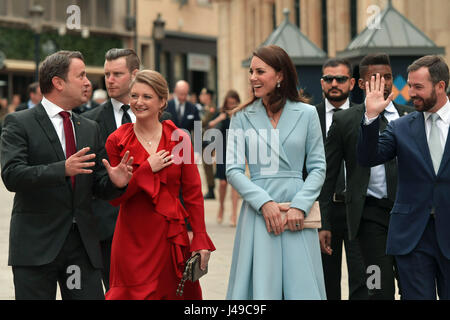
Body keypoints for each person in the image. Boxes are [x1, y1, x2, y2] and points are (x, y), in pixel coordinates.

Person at [0, 50, 133, 300]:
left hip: (82, 246)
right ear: (58, 83)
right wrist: (62, 168)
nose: (88, 82)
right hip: (36, 246)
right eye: (80, 75)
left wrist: (116, 183)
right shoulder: (19, 123)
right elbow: (12, 175)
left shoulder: (89, 128)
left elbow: (97, 184)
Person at [225, 45, 326, 300]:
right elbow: (233, 170)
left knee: (302, 290)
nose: (252, 77)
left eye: (260, 71)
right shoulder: (241, 117)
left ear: (280, 75)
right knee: (261, 291)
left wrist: (300, 205)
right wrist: (264, 203)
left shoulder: (307, 113)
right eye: (251, 71)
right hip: (259, 214)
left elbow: (317, 167)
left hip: (297, 214)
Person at [104, 70, 215, 300]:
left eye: (147, 96)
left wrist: (200, 237)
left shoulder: (179, 138)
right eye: (134, 96)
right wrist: (144, 171)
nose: (138, 102)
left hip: (170, 238)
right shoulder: (117, 140)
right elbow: (116, 199)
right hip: (131, 240)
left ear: (162, 101)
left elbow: (193, 194)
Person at [319, 53, 413, 300]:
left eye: (388, 77)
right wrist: (325, 223)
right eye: (374, 78)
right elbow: (328, 176)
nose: (382, 82)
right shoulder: (345, 120)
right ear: (360, 84)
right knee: (375, 288)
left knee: (412, 286)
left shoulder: (410, 117)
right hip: (368, 218)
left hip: (407, 216)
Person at [357, 55, 450, 300]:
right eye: (410, 85)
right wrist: (370, 118)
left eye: (418, 87)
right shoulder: (401, 127)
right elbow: (368, 158)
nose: (410, 93)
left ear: (440, 86)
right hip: (412, 238)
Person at [83, 48, 171, 291]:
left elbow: (179, 181)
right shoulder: (89, 122)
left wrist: (189, 228)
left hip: (157, 226)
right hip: (109, 230)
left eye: (117, 74)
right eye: (107, 74)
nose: (109, 80)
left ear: (135, 74)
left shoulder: (165, 121)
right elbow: (92, 180)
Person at [316, 58, 367, 300]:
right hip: (323, 210)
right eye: (328, 79)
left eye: (341, 78)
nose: (334, 83)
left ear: (353, 83)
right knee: (326, 282)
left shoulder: (366, 115)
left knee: (363, 279)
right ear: (322, 83)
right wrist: (320, 219)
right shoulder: (308, 116)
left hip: (358, 209)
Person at [208, 89, 241, 227]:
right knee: (222, 183)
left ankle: (234, 214)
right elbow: (210, 127)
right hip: (222, 150)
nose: (232, 105)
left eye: (234, 103)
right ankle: (221, 206)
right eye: (230, 103)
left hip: (236, 150)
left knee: (235, 184)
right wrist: (219, 118)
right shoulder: (221, 113)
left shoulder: (240, 114)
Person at [200, 88, 219, 199]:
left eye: (203, 94)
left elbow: (203, 122)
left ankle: (211, 189)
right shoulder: (204, 108)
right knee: (206, 165)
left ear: (208, 96)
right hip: (204, 140)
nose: (201, 96)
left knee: (209, 165)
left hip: (210, 140)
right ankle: (210, 188)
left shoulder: (211, 108)